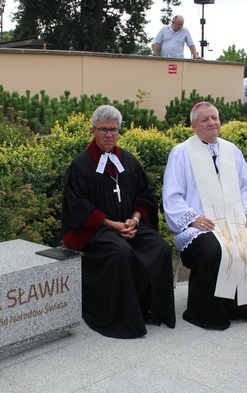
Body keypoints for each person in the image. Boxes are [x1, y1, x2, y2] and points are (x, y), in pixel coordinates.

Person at [163, 102, 247, 330]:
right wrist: (191, 218)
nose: (211, 123)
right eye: (204, 119)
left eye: (214, 118)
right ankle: (212, 312)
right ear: (193, 125)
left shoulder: (231, 150)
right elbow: (172, 194)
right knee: (212, 251)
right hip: (203, 224)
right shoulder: (181, 153)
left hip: (236, 221)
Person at [61, 105, 176, 339]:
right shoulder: (81, 165)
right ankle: (123, 317)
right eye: (103, 130)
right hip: (96, 231)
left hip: (129, 225)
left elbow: (145, 195)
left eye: (113, 130)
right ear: (93, 131)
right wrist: (111, 224)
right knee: (121, 253)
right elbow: (77, 207)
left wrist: (134, 220)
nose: (109, 135)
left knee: (160, 248)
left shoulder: (129, 162)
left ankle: (152, 308)